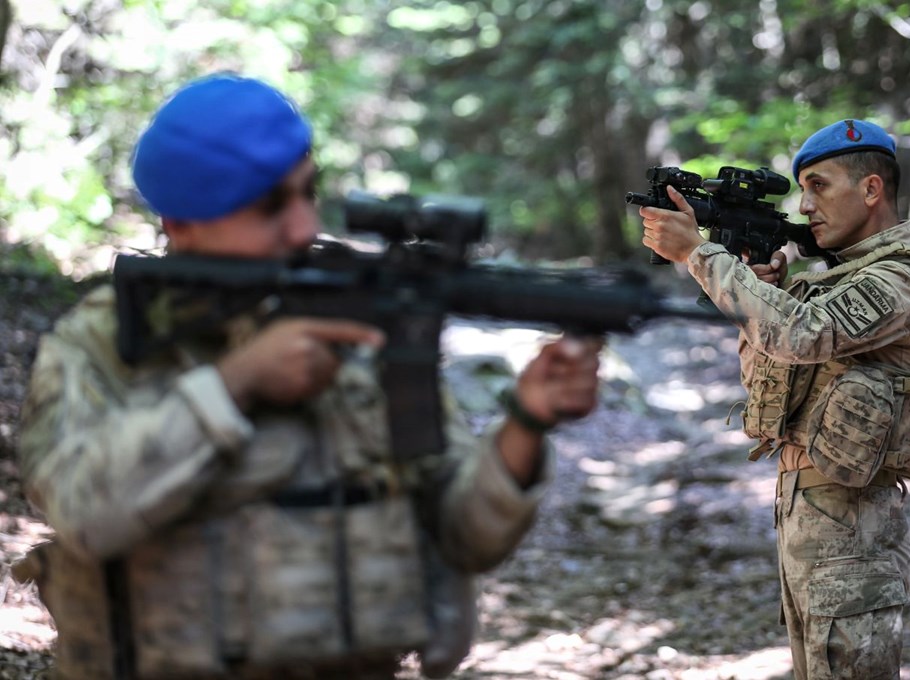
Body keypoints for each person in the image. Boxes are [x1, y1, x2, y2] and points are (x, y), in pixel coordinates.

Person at [14, 73, 602, 680]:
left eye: (307, 194)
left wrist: (527, 422)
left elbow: (465, 539)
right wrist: (235, 384)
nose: (301, 229)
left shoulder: (357, 328)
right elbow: (84, 513)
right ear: (183, 222)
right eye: (269, 206)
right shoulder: (102, 343)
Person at [640, 118, 910, 679]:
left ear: (871, 190)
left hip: (854, 535)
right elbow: (772, 371)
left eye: (820, 185)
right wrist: (762, 290)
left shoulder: (898, 282)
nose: (806, 205)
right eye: (802, 188)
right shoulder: (841, 283)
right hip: (814, 526)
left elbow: (800, 335)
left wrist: (698, 255)